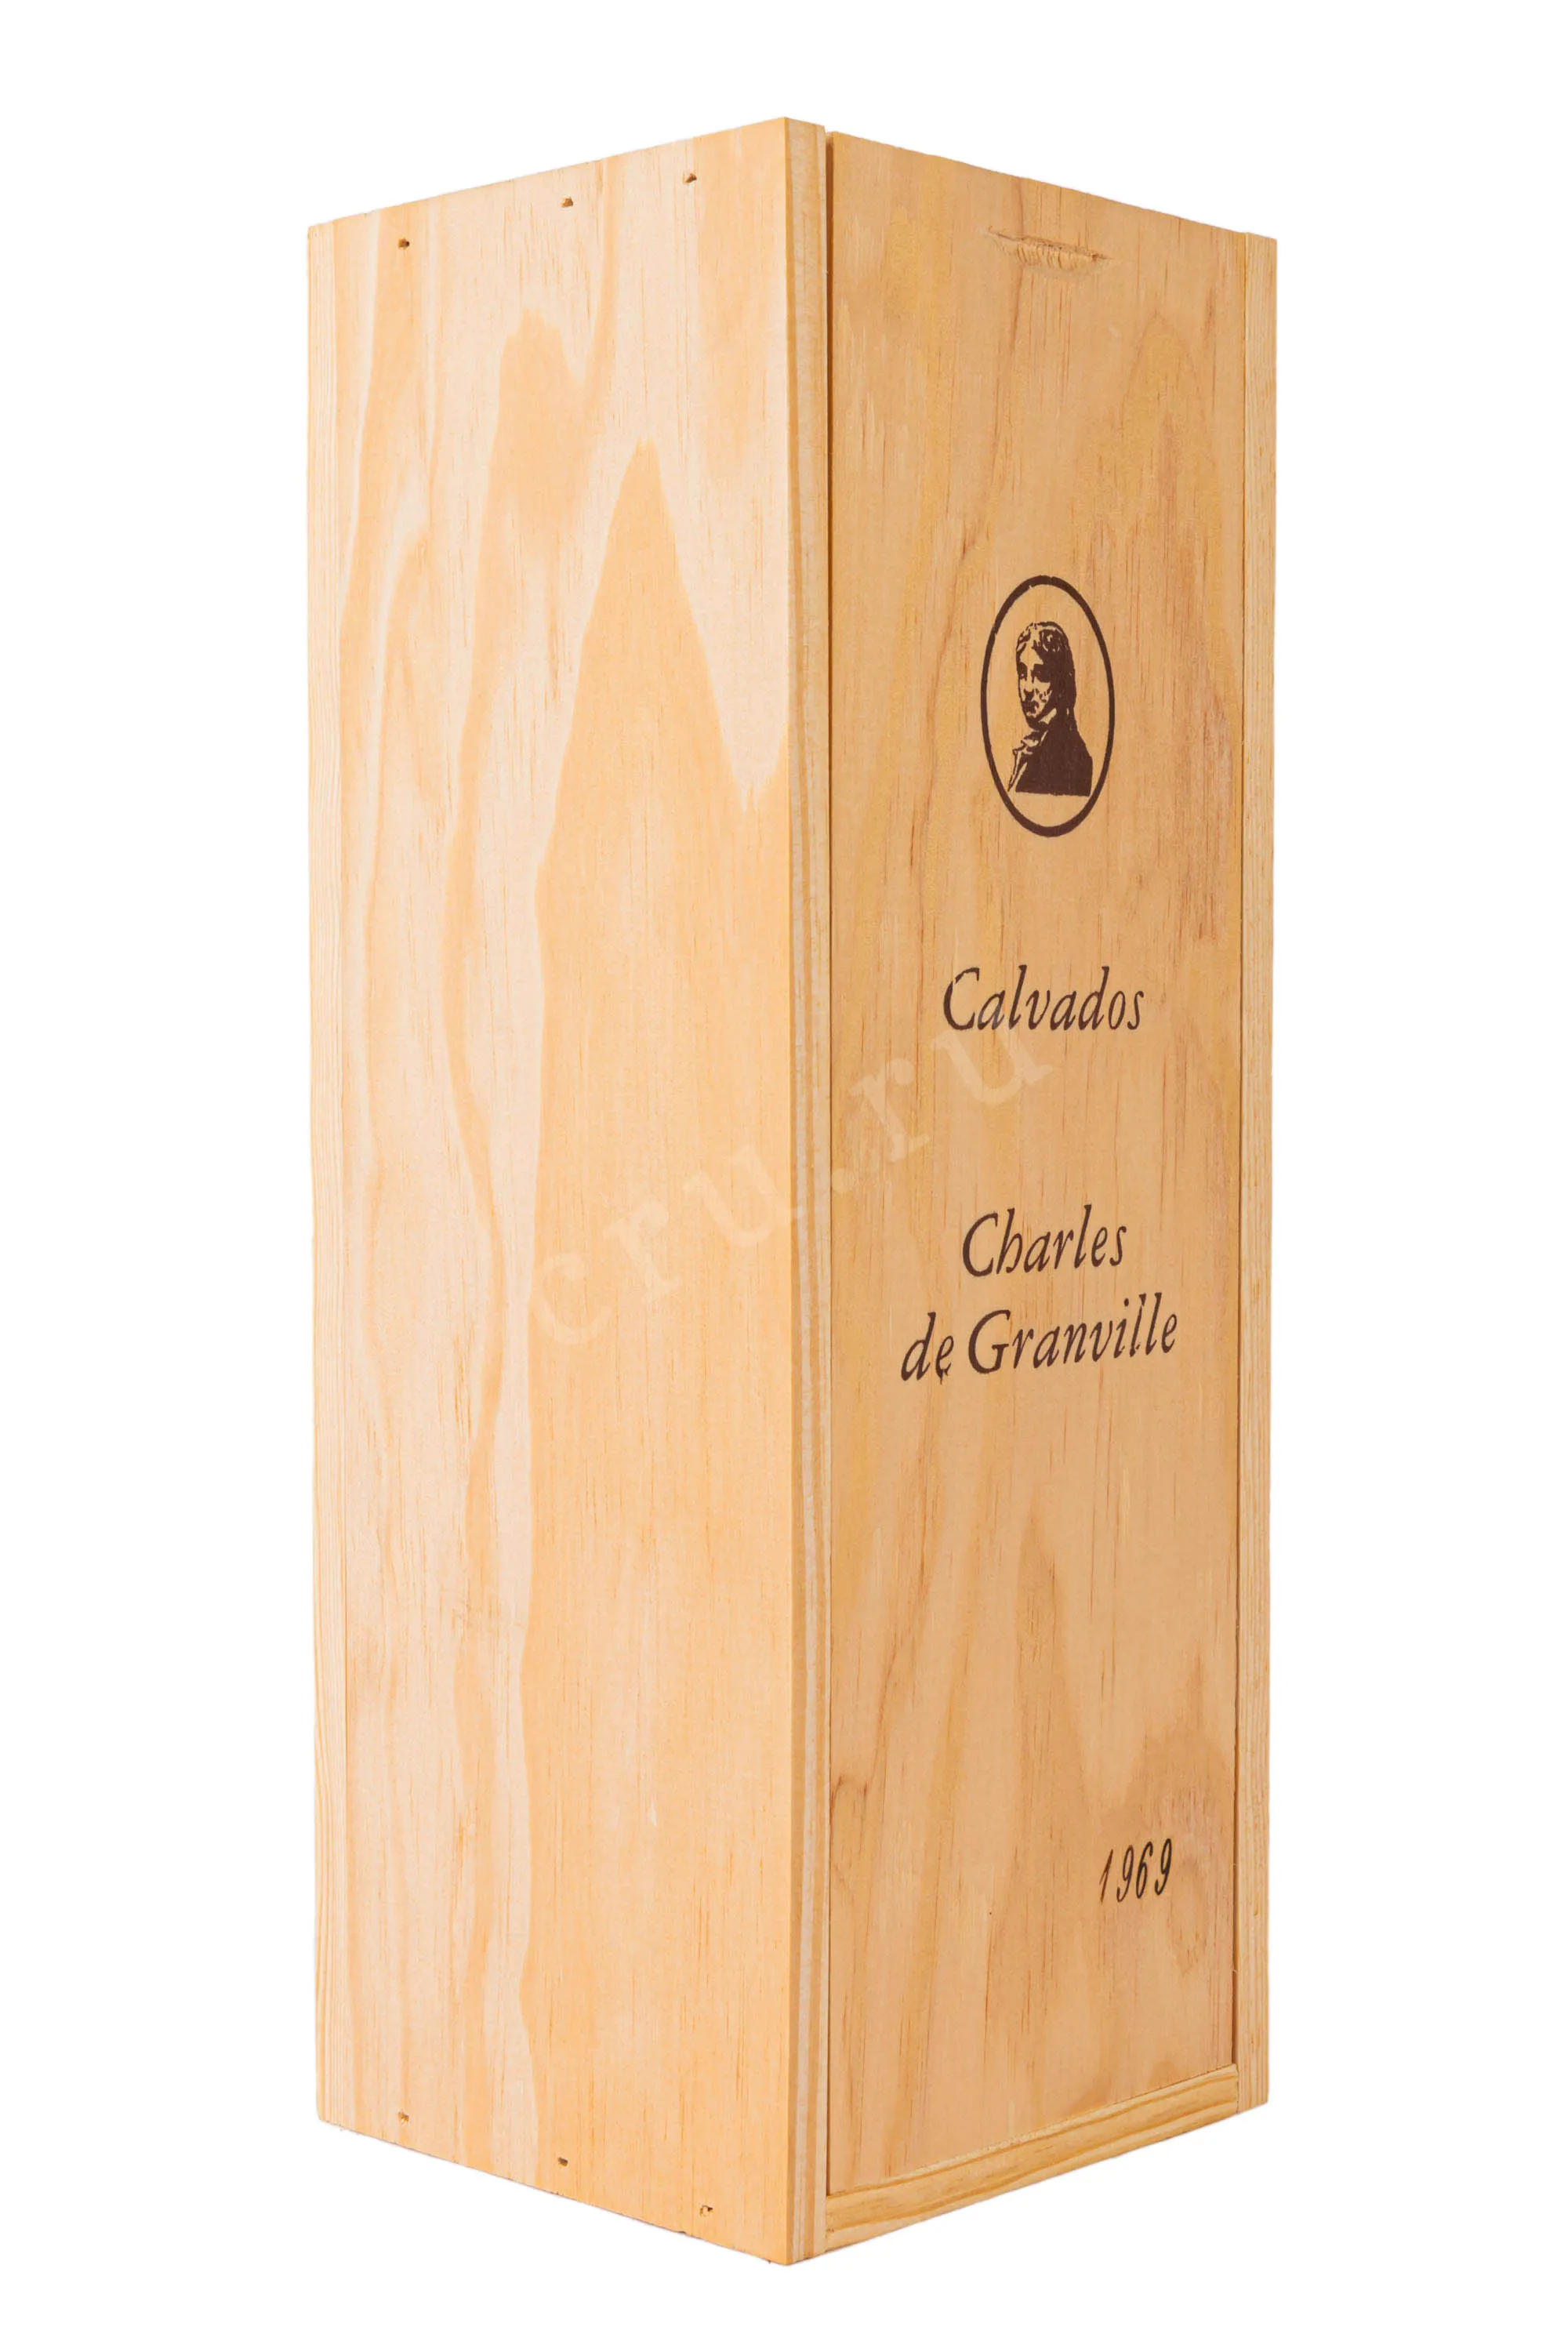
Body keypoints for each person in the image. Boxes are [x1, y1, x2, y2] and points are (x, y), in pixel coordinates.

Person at [1007, 619, 1093, 797]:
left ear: (1061, 683)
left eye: (1040, 674)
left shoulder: (1072, 757)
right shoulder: (1036, 746)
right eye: (1023, 673)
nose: (1027, 688)